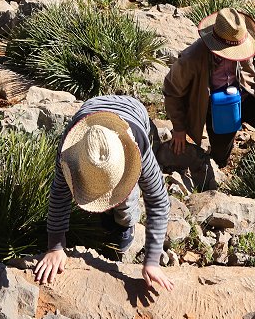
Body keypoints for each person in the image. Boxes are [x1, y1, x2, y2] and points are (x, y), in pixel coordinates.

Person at [163, 7, 255, 227]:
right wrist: (179, 128)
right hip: (218, 108)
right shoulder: (193, 57)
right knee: (220, 158)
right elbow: (172, 89)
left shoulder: (246, 40)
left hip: (248, 97)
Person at [34, 94, 173, 291]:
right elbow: (60, 193)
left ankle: (125, 225)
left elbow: (158, 200)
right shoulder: (70, 150)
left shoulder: (138, 146)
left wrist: (152, 260)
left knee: (127, 198)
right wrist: (55, 246)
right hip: (92, 107)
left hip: (134, 111)